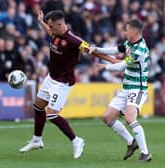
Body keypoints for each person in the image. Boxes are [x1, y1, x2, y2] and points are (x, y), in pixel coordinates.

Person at [19, 10, 113, 159]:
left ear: (59, 24)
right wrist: (40, 22)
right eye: (48, 25)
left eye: (51, 26)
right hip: (51, 78)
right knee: (38, 106)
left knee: (52, 114)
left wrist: (113, 61)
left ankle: (77, 141)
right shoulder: (55, 33)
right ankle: (37, 140)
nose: (49, 28)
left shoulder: (73, 40)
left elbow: (93, 51)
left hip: (62, 82)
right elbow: (49, 32)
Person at [88, 19, 152, 162]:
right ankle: (131, 142)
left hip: (138, 89)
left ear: (134, 31)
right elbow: (115, 50)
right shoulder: (130, 43)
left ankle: (145, 153)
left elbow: (122, 66)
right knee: (107, 117)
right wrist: (97, 49)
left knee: (130, 118)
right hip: (126, 88)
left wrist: (105, 67)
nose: (124, 32)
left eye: (126, 29)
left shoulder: (140, 49)